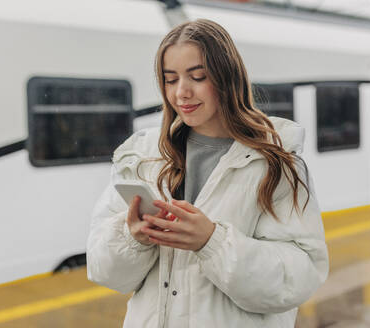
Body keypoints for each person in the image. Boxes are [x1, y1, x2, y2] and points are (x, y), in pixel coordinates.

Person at [87, 19, 329, 328]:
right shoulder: (143, 157)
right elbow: (102, 271)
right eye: (170, 79)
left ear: (227, 78)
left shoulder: (275, 163)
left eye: (198, 77)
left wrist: (212, 242)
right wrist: (133, 237)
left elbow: (300, 276)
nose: (181, 93)